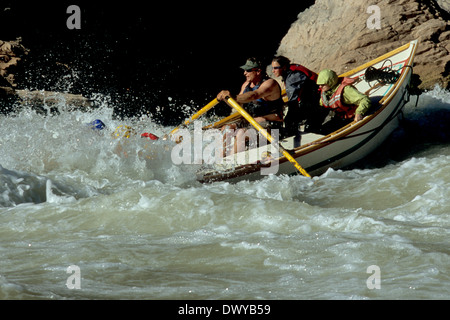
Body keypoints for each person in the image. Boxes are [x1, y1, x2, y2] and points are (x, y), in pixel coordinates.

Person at [217, 57, 284, 154]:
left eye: (248, 70)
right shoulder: (246, 85)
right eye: (244, 70)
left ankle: (232, 164)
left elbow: (255, 95)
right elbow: (237, 104)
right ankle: (219, 161)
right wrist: (225, 99)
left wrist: (232, 97)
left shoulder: (270, 84)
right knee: (226, 129)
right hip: (250, 122)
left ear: (258, 71)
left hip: (271, 124)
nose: (245, 73)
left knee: (241, 133)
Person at [271, 56, 325, 136]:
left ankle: (293, 138)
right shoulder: (292, 69)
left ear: (284, 67)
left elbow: (293, 100)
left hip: (316, 99)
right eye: (272, 68)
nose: (273, 71)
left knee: (289, 119)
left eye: (276, 68)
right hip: (313, 96)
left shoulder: (292, 77)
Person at [316, 69, 372, 134]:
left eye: (323, 84)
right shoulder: (326, 93)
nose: (320, 87)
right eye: (319, 84)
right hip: (340, 118)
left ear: (330, 82)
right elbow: (322, 104)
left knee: (327, 132)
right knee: (322, 130)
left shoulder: (346, 90)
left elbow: (365, 100)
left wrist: (359, 113)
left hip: (352, 117)